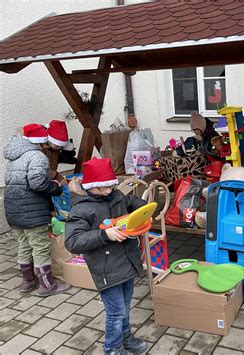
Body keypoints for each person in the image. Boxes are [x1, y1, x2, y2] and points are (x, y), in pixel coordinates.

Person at [64, 158, 148, 355]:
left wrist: (144, 208)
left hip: (126, 261)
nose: (107, 191)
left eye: (110, 186)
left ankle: (125, 339)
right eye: (101, 189)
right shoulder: (81, 209)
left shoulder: (116, 195)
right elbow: (73, 242)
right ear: (90, 186)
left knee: (126, 306)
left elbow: (130, 201)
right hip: (106, 268)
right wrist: (104, 234)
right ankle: (112, 348)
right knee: (116, 311)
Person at [3, 124, 71, 295]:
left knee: (24, 244)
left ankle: (28, 281)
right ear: (42, 142)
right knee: (40, 246)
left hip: (14, 209)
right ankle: (47, 285)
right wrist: (56, 187)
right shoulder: (37, 156)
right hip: (32, 210)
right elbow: (37, 183)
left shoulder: (14, 156)